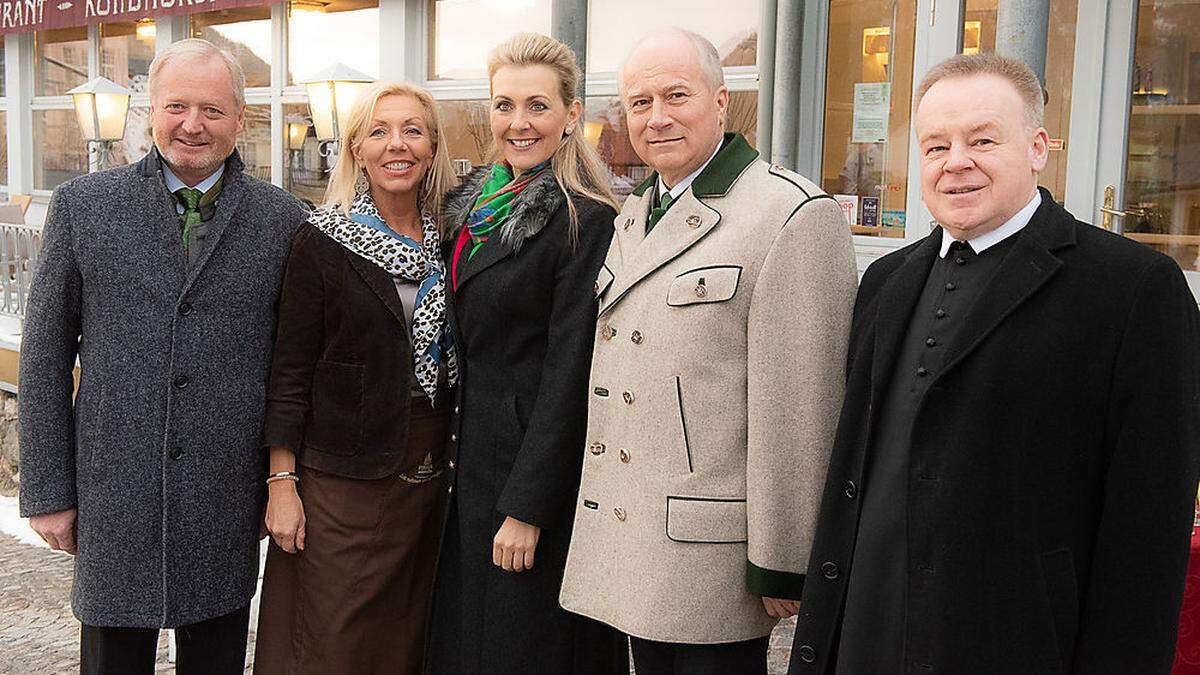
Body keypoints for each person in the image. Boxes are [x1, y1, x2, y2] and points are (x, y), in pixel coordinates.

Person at [789, 53, 1200, 674]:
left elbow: (1149, 527)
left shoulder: (1134, 287)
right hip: (867, 630)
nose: (957, 162)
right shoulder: (886, 281)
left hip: (1016, 641)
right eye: (935, 146)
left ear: (1037, 148)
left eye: (982, 140)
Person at [558, 28, 858, 675]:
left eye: (676, 95)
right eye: (639, 103)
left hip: (711, 549)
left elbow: (800, 406)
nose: (657, 117)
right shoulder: (638, 209)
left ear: (721, 103)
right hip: (636, 531)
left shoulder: (790, 212)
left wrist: (787, 555)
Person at [17, 38, 305, 673]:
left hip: (224, 501)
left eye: (212, 109)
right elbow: (42, 357)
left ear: (241, 118)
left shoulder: (283, 221)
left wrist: (279, 483)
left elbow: (292, 367)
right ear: (152, 109)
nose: (193, 125)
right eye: (177, 105)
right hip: (113, 495)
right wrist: (47, 488)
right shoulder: (84, 207)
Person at [425, 32, 628, 675]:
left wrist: (528, 509)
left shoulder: (585, 219)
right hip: (467, 459)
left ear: (571, 115)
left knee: (520, 646)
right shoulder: (474, 208)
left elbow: (572, 373)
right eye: (504, 105)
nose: (519, 123)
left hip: (525, 473)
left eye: (537, 106)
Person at [252, 81, 458, 675]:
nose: (398, 145)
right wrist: (282, 482)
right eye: (379, 131)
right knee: (331, 636)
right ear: (357, 150)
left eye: (412, 131)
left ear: (432, 147)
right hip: (340, 478)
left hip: (425, 468)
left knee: (404, 631)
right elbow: (288, 371)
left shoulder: (454, 237)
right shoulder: (322, 240)